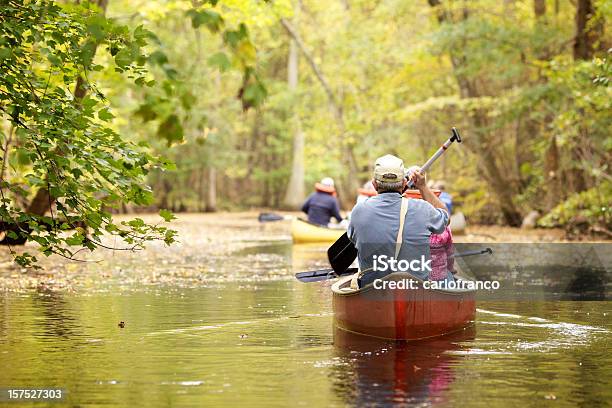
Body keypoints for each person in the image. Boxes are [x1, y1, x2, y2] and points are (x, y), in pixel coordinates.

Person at [348, 155, 449, 287]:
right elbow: (445, 218)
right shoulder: (423, 209)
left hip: (373, 290)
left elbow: (352, 239)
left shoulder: (358, 211)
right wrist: (423, 187)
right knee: (448, 277)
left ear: (374, 184)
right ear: (403, 183)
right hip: (415, 290)